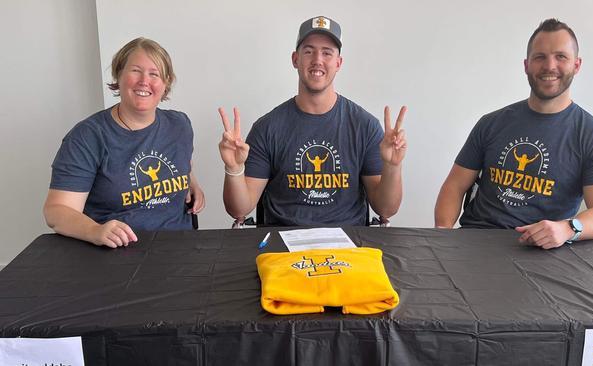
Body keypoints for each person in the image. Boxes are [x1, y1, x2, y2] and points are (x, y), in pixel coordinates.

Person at [435, 19, 593, 249]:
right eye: (540, 57)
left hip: (543, 252)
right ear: (526, 65)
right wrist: (442, 237)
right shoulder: (491, 123)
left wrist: (567, 228)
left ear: (577, 65)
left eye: (561, 56)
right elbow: (454, 186)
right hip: (476, 242)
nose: (549, 66)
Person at [218, 16, 406, 226]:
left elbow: (386, 209)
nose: (318, 60)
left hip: (350, 244)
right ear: (295, 59)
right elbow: (239, 210)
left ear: (338, 63)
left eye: (327, 52)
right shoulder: (267, 128)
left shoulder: (365, 126)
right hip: (283, 244)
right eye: (309, 51)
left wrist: (392, 166)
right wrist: (234, 169)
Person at [43, 37, 205, 248]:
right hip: (117, 253)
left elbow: (184, 160)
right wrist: (95, 231)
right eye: (136, 71)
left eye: (154, 74)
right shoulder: (87, 137)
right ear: (118, 76)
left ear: (165, 84)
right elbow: (56, 210)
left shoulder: (180, 124)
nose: (144, 81)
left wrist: (193, 183)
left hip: (178, 248)